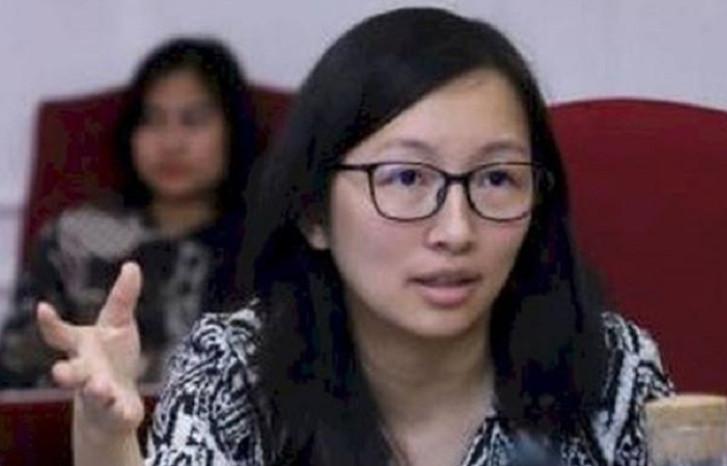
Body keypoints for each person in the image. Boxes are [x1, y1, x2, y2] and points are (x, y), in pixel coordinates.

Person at [35, 8, 673, 466]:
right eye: (406, 177)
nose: (456, 230)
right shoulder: (235, 372)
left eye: (498, 178)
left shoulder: (611, 369)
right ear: (315, 212)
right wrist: (105, 438)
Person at [0, 37, 257, 387]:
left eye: (193, 120)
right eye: (152, 120)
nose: (171, 143)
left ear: (233, 131)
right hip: (89, 418)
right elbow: (18, 381)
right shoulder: (73, 238)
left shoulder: (270, 242)